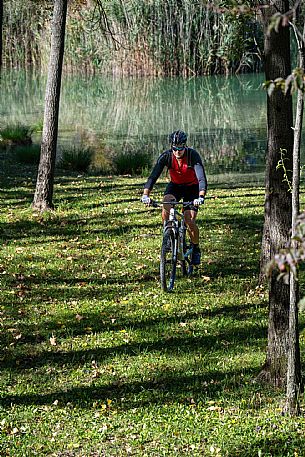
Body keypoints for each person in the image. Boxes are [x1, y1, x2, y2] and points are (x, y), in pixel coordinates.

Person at [141, 130, 207, 265]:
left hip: (192, 188)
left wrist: (200, 196)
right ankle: (169, 234)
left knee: (189, 220)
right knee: (166, 205)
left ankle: (195, 248)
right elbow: (153, 176)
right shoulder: (166, 156)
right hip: (175, 186)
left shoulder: (192, 155)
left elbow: (201, 178)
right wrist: (145, 194)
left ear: (185, 146)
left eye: (180, 148)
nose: (177, 152)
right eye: (175, 148)